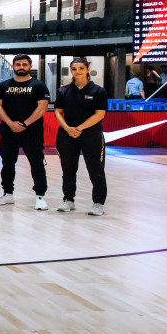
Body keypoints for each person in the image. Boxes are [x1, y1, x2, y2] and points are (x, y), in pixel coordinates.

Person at [0, 54, 50, 209]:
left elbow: (42, 107)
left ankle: (40, 196)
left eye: (24, 64)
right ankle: (7, 194)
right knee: (7, 163)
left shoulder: (39, 85)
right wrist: (10, 123)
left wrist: (25, 124)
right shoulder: (4, 85)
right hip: (8, 131)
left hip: (32, 132)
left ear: (30, 66)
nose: (21, 67)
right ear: (13, 67)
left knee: (36, 163)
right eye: (18, 64)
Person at [54, 57, 108, 216]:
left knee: (96, 169)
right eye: (74, 69)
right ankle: (68, 200)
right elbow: (58, 112)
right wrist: (67, 128)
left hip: (91, 135)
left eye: (81, 68)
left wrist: (79, 128)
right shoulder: (63, 91)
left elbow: (100, 114)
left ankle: (98, 203)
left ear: (87, 70)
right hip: (67, 135)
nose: (77, 71)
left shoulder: (98, 91)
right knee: (68, 169)